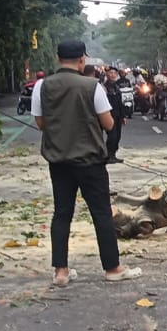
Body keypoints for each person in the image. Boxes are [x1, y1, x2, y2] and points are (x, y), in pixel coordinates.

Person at [32, 39, 140, 286]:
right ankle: (112, 268)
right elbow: (109, 123)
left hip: (58, 160)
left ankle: (61, 271)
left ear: (58, 59)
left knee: (62, 213)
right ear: (82, 60)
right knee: (101, 213)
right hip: (90, 161)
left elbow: (40, 123)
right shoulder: (93, 86)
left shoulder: (42, 86)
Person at [103, 65, 128, 163]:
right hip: (109, 115)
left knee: (118, 136)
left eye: (114, 73)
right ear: (107, 74)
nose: (112, 75)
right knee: (112, 136)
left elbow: (120, 102)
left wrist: (123, 116)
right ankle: (108, 155)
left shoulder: (117, 86)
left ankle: (113, 154)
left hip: (118, 114)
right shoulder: (104, 87)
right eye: (110, 73)